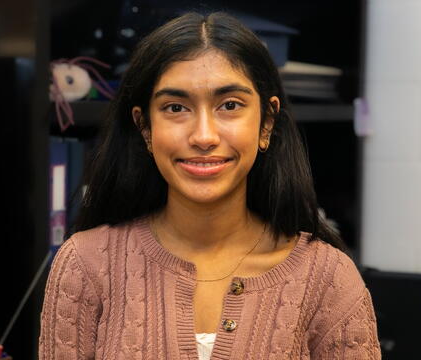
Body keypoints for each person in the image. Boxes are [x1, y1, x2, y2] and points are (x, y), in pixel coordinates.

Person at [39, 12, 381, 360]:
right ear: (145, 128)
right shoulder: (85, 264)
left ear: (266, 123)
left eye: (230, 106)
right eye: (175, 107)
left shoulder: (328, 278)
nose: (204, 136)